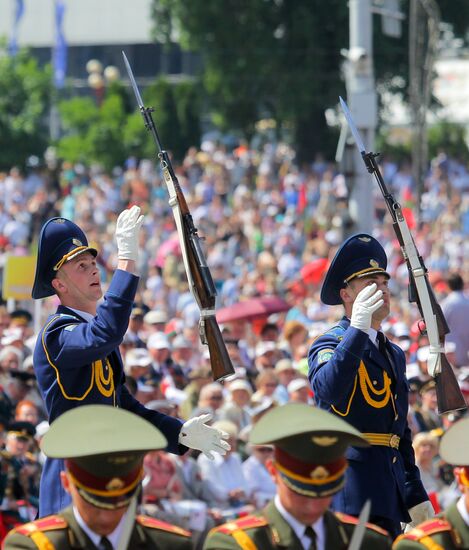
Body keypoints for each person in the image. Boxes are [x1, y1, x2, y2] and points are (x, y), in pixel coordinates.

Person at [31, 209, 229, 516]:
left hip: (110, 472)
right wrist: (126, 261)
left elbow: (124, 408)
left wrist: (177, 432)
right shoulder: (57, 333)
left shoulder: (94, 335)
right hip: (73, 472)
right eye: (81, 266)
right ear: (59, 285)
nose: (94, 270)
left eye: (94, 263)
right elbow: (105, 332)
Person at [308, 234, 432, 539]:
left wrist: (414, 493)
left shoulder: (393, 353)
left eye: (384, 283)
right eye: (369, 284)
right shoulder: (330, 342)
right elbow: (328, 389)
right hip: (351, 487)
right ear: (346, 294)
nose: (382, 290)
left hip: (388, 489)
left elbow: (399, 431)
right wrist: (358, 329)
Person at [203, 403, 392, 549]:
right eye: (301, 491)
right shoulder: (237, 543)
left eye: (326, 491)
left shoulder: (369, 541)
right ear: (273, 471)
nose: (313, 503)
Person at [3, 405, 193, 549]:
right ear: (66, 483)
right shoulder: (33, 545)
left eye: (120, 500)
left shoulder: (171, 544)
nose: (106, 515)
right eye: (95, 501)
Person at [393, 416, 469, 549]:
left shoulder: (436, 468)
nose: (427, 450)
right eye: (423, 446)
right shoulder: (420, 544)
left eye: (430, 446)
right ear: (461, 478)